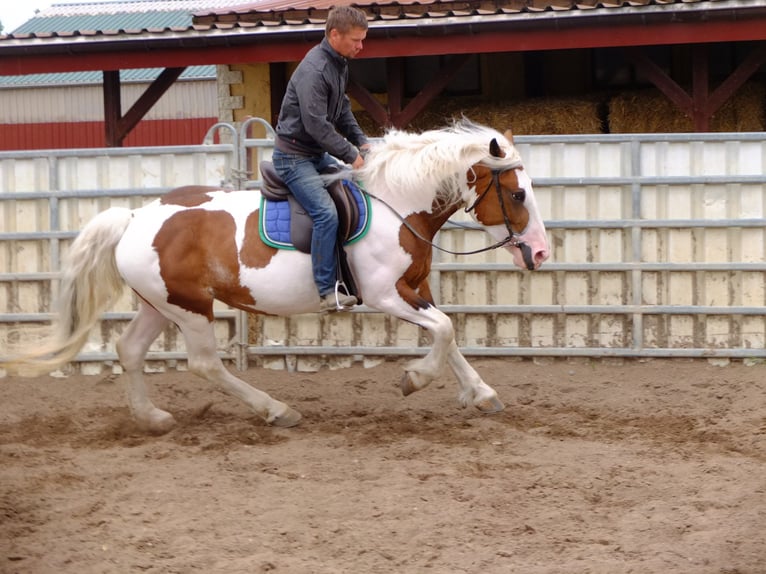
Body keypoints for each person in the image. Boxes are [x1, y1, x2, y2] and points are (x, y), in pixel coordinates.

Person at [272, 5, 370, 313]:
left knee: (359, 192)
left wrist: (362, 142)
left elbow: (341, 111)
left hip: (315, 154)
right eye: (356, 40)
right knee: (326, 214)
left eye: (362, 39)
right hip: (294, 158)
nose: (361, 46)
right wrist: (349, 154)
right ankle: (327, 291)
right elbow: (316, 124)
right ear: (334, 34)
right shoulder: (315, 70)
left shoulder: (338, 63)